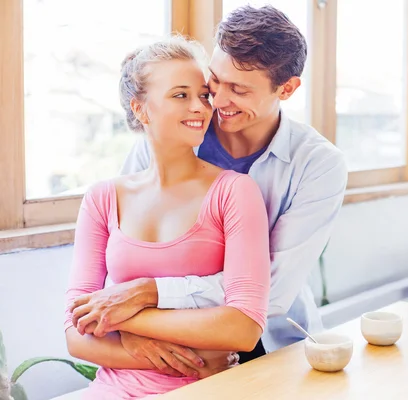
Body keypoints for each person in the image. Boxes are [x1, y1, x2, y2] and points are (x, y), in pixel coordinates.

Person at [70, 5, 348, 369]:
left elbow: (270, 295)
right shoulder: (171, 134)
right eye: (214, 81)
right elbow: (122, 251)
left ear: (288, 88)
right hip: (166, 343)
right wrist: (124, 320)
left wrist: (144, 299)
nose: (216, 101)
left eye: (239, 90)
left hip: (272, 344)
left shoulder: (317, 164)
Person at [64, 36, 271, 399]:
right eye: (180, 95)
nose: (201, 108)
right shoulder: (102, 198)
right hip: (113, 388)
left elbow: (243, 329)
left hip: (207, 389)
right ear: (141, 109)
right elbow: (75, 332)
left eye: (204, 95)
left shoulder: (235, 192)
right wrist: (145, 348)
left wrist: (123, 317)